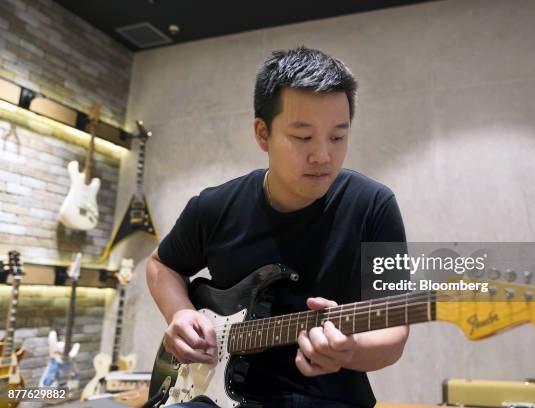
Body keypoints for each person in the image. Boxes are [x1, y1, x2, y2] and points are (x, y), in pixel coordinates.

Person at [146, 46, 409, 408]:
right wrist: (181, 313)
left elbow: (394, 331)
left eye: (337, 137)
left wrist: (348, 351)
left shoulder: (374, 206)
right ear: (262, 134)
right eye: (303, 137)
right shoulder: (214, 206)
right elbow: (161, 264)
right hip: (209, 395)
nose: (323, 156)